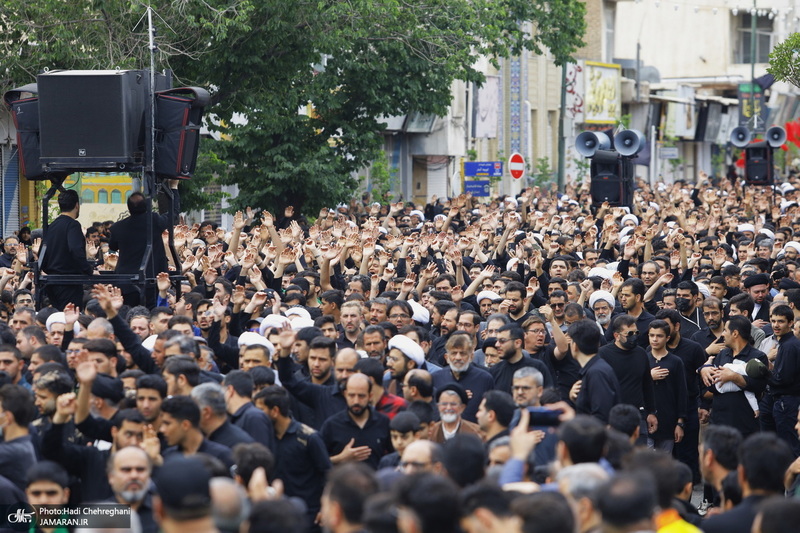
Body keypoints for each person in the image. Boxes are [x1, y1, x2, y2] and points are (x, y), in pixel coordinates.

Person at [108, 184, 179, 308]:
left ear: (128, 208)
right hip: (152, 279)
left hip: (127, 282)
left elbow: (113, 246)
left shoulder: (117, 227)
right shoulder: (154, 221)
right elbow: (173, 214)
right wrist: (173, 188)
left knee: (128, 315)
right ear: (146, 207)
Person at [40, 189, 94, 310]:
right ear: (77, 205)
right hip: (69, 282)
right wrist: (88, 270)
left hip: (52, 282)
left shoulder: (52, 226)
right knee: (70, 316)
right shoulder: (73, 225)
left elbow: (42, 253)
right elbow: (75, 249)